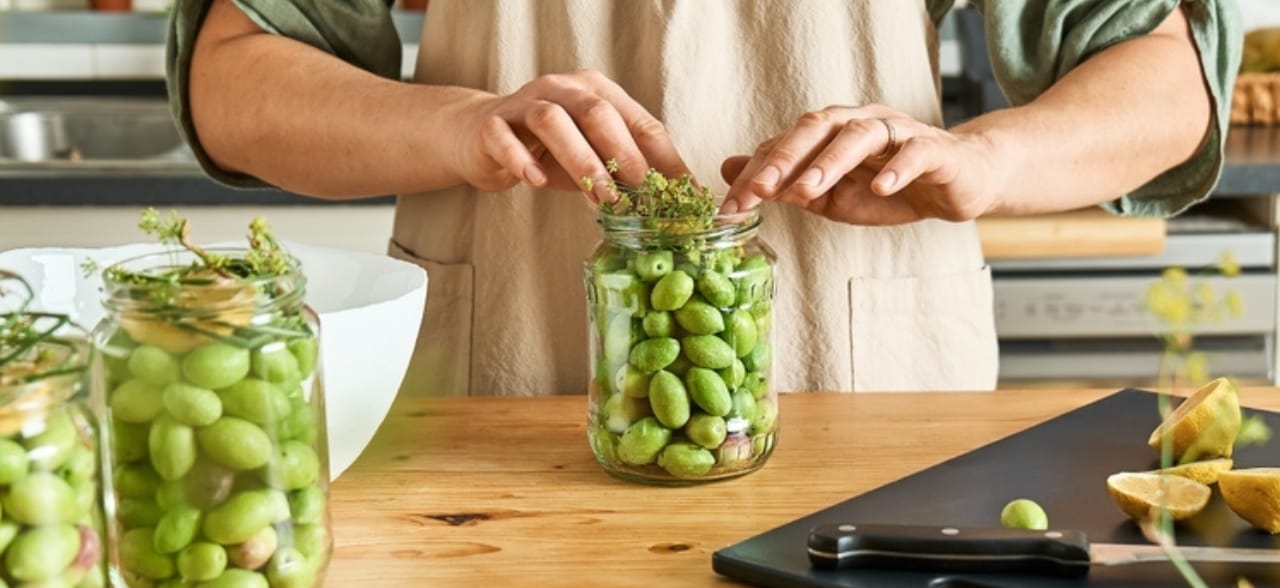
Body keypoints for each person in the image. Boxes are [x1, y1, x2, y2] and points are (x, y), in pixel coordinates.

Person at [168, 0, 1240, 396]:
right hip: (504, 377)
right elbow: (236, 74)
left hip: (868, 381)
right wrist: (453, 126)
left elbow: (1156, 75)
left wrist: (992, 160)